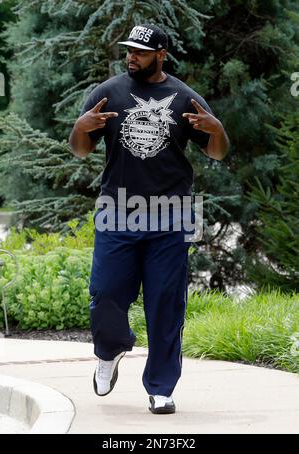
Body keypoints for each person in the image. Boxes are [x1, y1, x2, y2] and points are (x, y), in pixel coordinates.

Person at [69, 24, 229, 414]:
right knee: (105, 292)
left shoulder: (185, 98)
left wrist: (217, 130)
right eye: (129, 50)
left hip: (172, 216)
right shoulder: (108, 93)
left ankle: (161, 387)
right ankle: (109, 352)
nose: (131, 57)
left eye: (140, 51)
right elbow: (79, 151)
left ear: (161, 54)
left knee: (165, 304)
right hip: (117, 211)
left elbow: (218, 154)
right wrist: (80, 128)